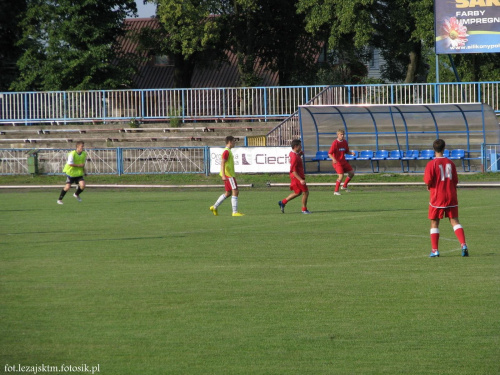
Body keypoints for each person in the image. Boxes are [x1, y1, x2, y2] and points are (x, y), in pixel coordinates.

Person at [424, 139, 468, 257]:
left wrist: (429, 186)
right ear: (444, 148)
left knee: (434, 222)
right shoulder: (450, 163)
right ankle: (463, 244)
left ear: (434, 149)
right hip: (451, 195)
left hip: (437, 196)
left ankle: (435, 250)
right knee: (454, 221)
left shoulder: (431, 164)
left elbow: (428, 180)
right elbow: (455, 180)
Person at [210, 136, 245, 217]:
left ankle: (214, 207)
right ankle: (235, 212)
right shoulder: (226, 151)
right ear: (229, 142)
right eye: (233, 141)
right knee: (235, 191)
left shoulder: (228, 151)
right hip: (228, 175)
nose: (234, 143)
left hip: (227, 175)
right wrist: (223, 175)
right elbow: (222, 163)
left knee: (228, 193)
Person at [278, 139, 311, 214]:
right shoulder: (294, 157)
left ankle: (283, 202)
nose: (301, 147)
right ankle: (304, 209)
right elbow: (293, 171)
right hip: (296, 177)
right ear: (296, 147)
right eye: (300, 145)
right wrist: (300, 180)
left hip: (295, 176)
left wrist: (300, 154)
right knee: (306, 192)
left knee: (298, 192)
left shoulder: (294, 154)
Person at [328, 129, 356, 195]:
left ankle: (344, 186)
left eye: (343, 134)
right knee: (341, 175)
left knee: (351, 173)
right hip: (337, 162)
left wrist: (351, 153)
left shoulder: (345, 142)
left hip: (343, 161)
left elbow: (346, 151)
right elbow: (330, 153)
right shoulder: (335, 143)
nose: (342, 136)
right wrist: (333, 159)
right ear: (338, 135)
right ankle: (336, 191)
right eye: (341, 134)